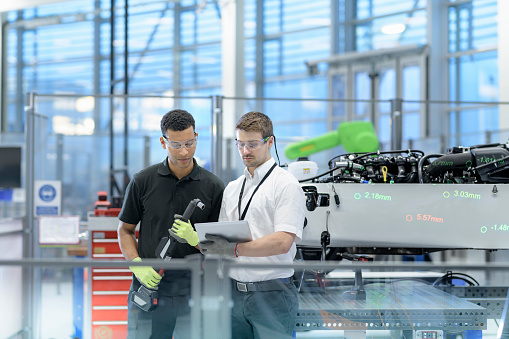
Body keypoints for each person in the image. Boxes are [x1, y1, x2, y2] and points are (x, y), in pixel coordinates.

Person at [117, 109, 224, 339]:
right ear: (163, 142)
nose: (184, 151)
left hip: (194, 290)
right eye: (176, 145)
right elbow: (125, 230)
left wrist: (197, 240)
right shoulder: (142, 181)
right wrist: (136, 265)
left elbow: (220, 245)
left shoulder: (214, 186)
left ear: (196, 136)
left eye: (190, 142)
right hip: (149, 287)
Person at [200, 111, 306, 338]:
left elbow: (282, 242)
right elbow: (221, 239)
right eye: (241, 144)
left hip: (272, 293)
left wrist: (234, 249)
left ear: (270, 142)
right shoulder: (233, 187)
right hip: (232, 292)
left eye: (253, 144)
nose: (246, 151)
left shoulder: (286, 184)